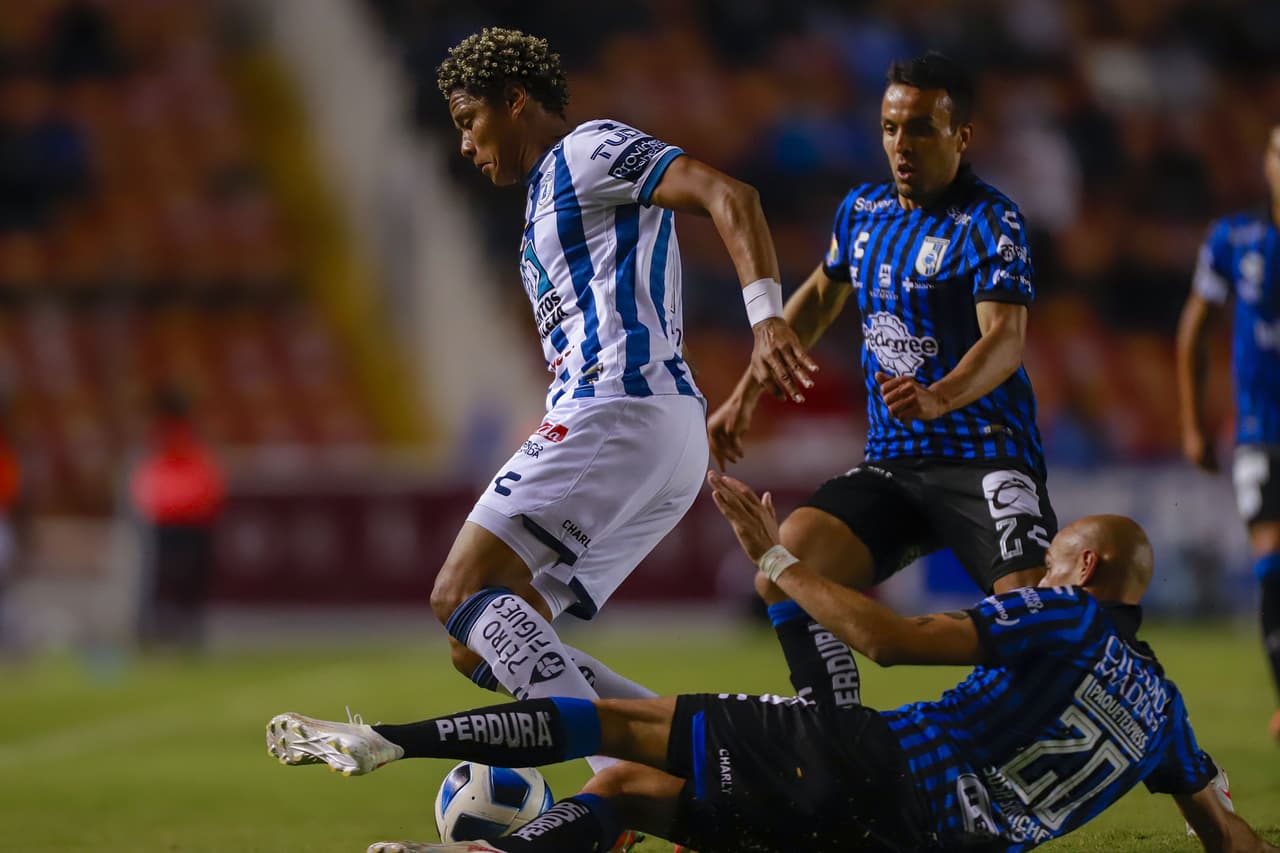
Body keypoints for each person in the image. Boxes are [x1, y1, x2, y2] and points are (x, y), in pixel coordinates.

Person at [266, 471, 1273, 853]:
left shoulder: (1059, 616)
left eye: (1052, 558)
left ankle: (381, 741)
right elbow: (1226, 838)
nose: (1034, 571)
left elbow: (884, 640)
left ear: (1084, 567)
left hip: (873, 767)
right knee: (631, 790)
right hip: (913, 841)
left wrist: (779, 561)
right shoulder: (1164, 712)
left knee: (612, 730)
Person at [424, 25, 814, 778]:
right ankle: (702, 765)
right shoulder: (542, 201)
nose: (468, 146)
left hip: (622, 408)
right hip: (640, 422)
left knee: (461, 589)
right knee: (482, 634)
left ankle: (619, 779)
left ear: (515, 100)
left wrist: (766, 315)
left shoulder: (586, 150)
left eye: (471, 121)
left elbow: (728, 193)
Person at [707, 52, 1056, 712]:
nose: (902, 145)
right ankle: (835, 735)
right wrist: (745, 394)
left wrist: (939, 396)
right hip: (894, 463)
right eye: (891, 128)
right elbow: (817, 299)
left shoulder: (991, 221)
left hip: (984, 457)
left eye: (922, 128)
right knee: (785, 568)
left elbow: (1004, 340)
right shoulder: (863, 211)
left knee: (1038, 623)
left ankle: (1151, 746)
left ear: (962, 136)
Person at [1177, 123, 1280, 743]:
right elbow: (1195, 329)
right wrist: (1192, 423)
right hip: (1261, 430)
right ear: (1267, 163)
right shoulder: (1233, 239)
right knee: (1272, 559)